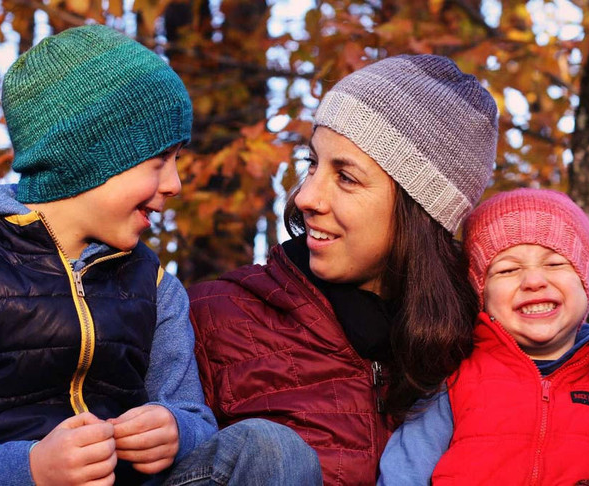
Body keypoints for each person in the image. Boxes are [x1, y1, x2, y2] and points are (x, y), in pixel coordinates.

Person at [0, 24, 320, 485]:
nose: (175, 184)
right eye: (159, 163)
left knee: (270, 448)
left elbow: (192, 414)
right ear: (89, 160)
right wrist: (30, 469)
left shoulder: (154, 287)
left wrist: (176, 430)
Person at [188, 54, 499, 484]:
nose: (306, 197)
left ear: (420, 212)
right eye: (312, 164)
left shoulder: (476, 360)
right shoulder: (210, 318)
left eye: (346, 177)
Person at [378, 188, 589, 485]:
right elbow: (404, 470)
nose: (534, 281)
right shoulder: (454, 377)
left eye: (555, 263)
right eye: (508, 270)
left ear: (587, 283)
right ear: (481, 295)